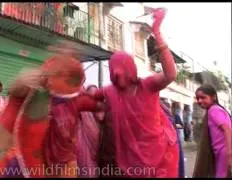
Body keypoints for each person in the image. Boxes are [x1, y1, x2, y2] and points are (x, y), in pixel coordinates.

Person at [94, 8, 179, 177]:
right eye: (114, 71)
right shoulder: (110, 92)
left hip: (161, 157)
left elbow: (170, 74)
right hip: (130, 163)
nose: (118, 75)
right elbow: (86, 97)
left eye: (122, 70)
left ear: (131, 69)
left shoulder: (147, 85)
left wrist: (157, 32)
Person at [0, 54, 93, 178]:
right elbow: (2, 134)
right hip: (24, 161)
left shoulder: (73, 100)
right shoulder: (30, 94)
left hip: (58, 163)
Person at [193, 84, 232, 178]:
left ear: (213, 97)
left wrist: (229, 153)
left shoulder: (214, 110)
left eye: (203, 97)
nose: (199, 101)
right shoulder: (214, 109)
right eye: (198, 98)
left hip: (223, 153)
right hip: (220, 152)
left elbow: (228, 130)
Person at [76, 84, 104, 178]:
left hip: (96, 146)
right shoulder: (82, 111)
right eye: (90, 93)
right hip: (84, 146)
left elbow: (101, 117)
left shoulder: (99, 109)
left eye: (95, 93)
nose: (93, 95)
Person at [160, 99, 185, 178]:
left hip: (175, 137)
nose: (169, 108)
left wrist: (176, 126)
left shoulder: (174, 116)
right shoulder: (168, 115)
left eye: (169, 106)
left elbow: (181, 125)